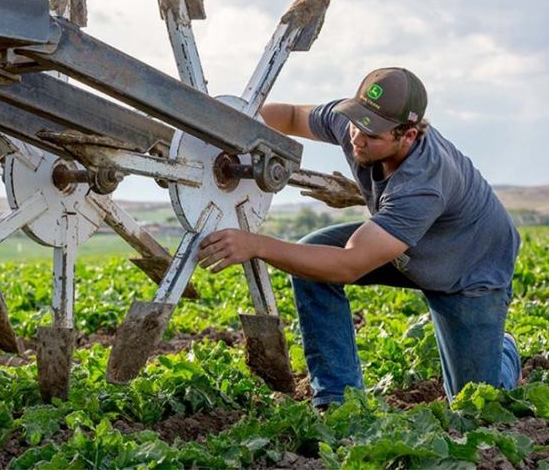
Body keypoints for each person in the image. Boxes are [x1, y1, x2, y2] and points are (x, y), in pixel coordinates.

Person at [197, 67, 521, 408]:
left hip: (469, 268)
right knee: (312, 259)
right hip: (406, 246)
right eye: (356, 122)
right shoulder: (355, 123)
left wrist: (257, 244)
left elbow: (349, 265)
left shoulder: (423, 184)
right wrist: (227, 124)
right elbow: (291, 116)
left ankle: (504, 351)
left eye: (372, 134)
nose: (357, 138)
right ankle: (337, 399)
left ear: (408, 135)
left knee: (478, 404)